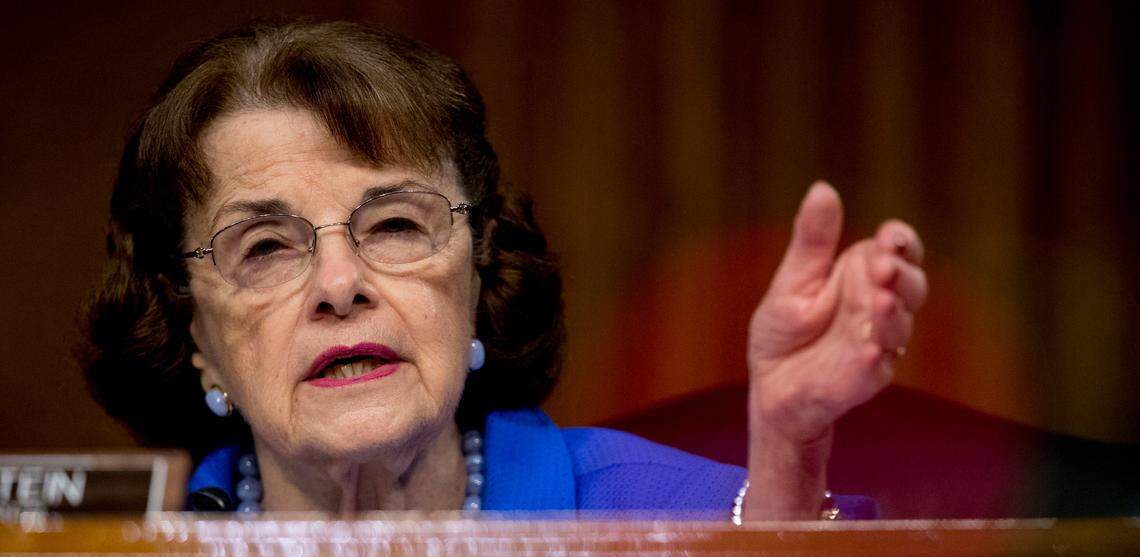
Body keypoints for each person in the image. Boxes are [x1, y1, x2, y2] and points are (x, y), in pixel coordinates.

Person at [80, 20, 926, 521]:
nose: (340, 284)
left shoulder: (661, 514)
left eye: (397, 224)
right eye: (264, 247)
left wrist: (789, 454)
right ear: (194, 331)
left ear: (479, 270)